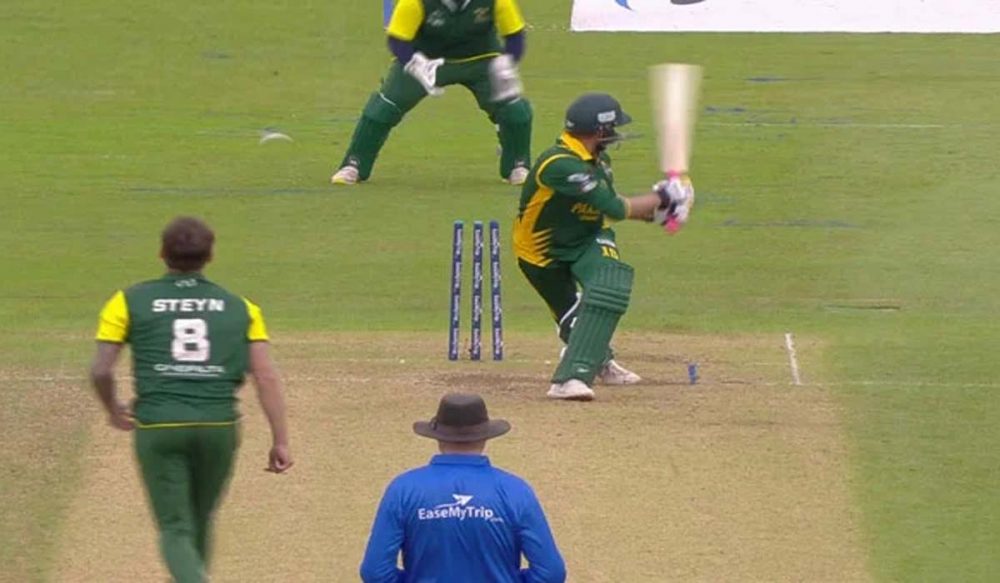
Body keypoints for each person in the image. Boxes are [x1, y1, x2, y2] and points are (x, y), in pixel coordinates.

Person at [89, 216, 293, 583]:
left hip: (160, 425)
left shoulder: (128, 301)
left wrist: (113, 409)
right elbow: (265, 376)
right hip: (219, 426)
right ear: (210, 256)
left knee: (175, 528)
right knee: (200, 520)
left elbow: (101, 370)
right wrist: (280, 439)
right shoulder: (242, 307)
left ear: (161, 253)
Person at [513, 93, 696, 401]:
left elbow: (605, 209)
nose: (615, 134)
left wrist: (662, 213)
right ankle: (594, 364)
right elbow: (614, 207)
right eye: (611, 129)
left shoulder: (600, 162)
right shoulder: (560, 165)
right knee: (574, 321)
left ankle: (572, 378)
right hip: (542, 253)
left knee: (610, 285)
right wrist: (664, 196)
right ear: (599, 131)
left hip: (587, 239)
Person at [360, 393, 566, 583]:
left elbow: (375, 572)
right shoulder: (516, 491)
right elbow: (551, 573)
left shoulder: (403, 489)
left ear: (438, 436)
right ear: (485, 437)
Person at [331, 0, 533, 186]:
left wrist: (508, 62)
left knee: (514, 109)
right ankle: (353, 165)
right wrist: (414, 63)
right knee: (384, 108)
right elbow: (397, 38)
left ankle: (517, 166)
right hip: (425, 60)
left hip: (481, 60)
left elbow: (514, 34)